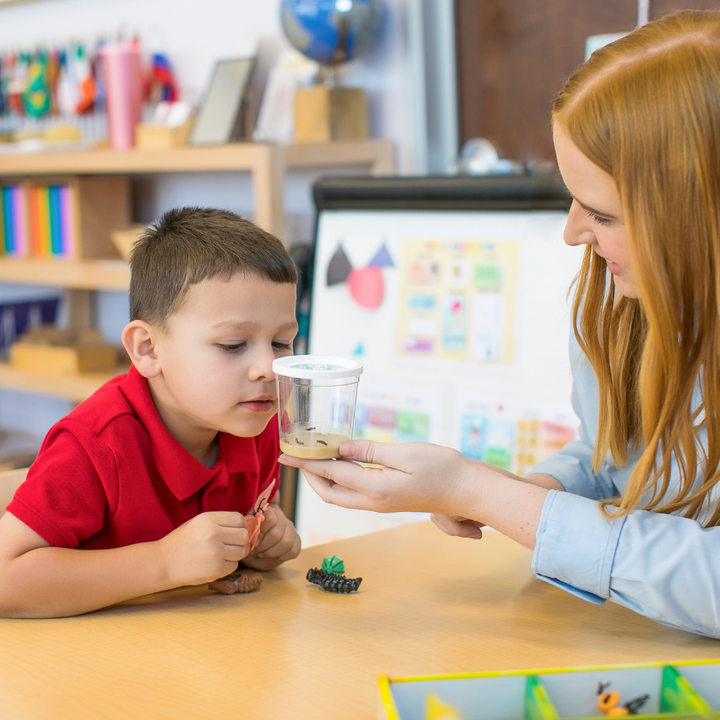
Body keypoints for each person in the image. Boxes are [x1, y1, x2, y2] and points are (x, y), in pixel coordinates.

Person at [280, 10, 720, 639]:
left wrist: (487, 496)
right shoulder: (626, 313)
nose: (572, 233)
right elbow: (615, 460)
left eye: (602, 213)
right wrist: (530, 489)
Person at [0, 207, 301, 618]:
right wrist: (165, 562)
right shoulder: (95, 446)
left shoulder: (254, 420)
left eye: (282, 343)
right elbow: (6, 579)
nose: (268, 368)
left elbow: (249, 516)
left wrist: (268, 536)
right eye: (233, 345)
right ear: (148, 349)